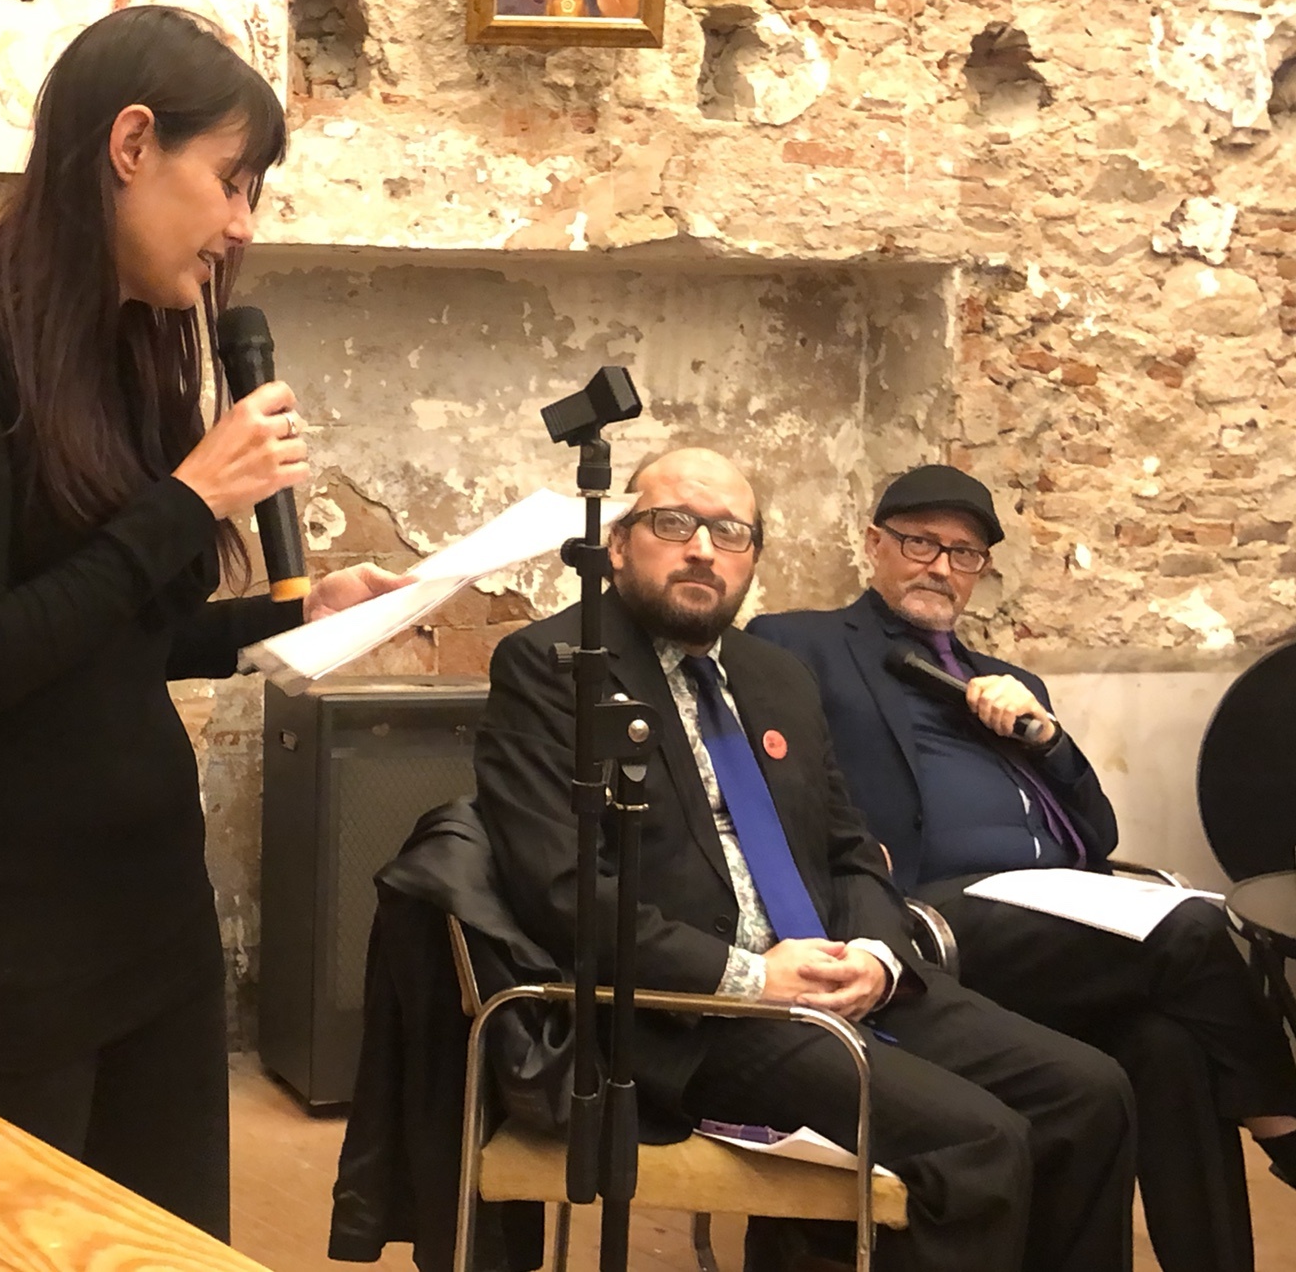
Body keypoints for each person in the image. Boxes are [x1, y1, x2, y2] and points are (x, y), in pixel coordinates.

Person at [0, 5, 404, 1239]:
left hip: (148, 914)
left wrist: (279, 623)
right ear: (132, 144)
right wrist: (188, 498)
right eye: (230, 181)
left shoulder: (134, 352)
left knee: (168, 1246)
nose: (241, 225)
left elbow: (116, 640)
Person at [474, 447, 1136, 1272]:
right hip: (691, 1011)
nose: (703, 550)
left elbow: (850, 850)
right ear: (616, 543)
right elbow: (562, 891)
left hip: (833, 978)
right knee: (976, 1142)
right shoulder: (553, 667)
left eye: (730, 532)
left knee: (1091, 1093)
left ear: (753, 555)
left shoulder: (775, 675)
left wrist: (875, 955)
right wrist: (752, 977)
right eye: (674, 524)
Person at [751, 463, 1296, 1272]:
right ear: (874, 544)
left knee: (1169, 1046)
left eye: (965, 554)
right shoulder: (804, 643)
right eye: (921, 543)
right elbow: (768, 775)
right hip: (927, 911)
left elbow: (1099, 832)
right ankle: (1287, 1132)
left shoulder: (1010, 682)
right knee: (1195, 927)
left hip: (1057, 914)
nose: (942, 566)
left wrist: (1047, 738)